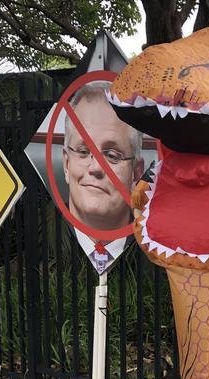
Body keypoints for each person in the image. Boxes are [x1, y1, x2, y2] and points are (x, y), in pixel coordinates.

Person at [62, 81, 144, 272]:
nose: (96, 167)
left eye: (112, 155)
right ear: (67, 165)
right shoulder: (31, 269)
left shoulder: (164, 265)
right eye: (83, 151)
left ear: (136, 174)